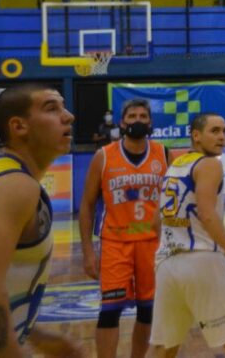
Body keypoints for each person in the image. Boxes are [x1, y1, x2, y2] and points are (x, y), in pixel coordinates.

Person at [0, 83, 83, 356]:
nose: (68, 116)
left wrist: (38, 336)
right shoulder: (15, 185)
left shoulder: (2, 177)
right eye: (51, 108)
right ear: (19, 126)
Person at [150, 113, 225, 357]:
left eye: (224, 131)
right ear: (196, 136)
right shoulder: (210, 164)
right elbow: (207, 215)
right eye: (214, 131)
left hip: (168, 264)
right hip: (203, 260)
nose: (221, 137)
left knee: (162, 347)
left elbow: (155, 221)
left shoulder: (176, 165)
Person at [79, 99, 168, 358]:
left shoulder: (163, 154)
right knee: (109, 311)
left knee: (148, 310)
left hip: (153, 245)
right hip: (115, 244)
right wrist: (87, 252)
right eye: (131, 116)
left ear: (150, 122)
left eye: (143, 116)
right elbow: (86, 206)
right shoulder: (104, 156)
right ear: (122, 122)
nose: (137, 120)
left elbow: (174, 201)